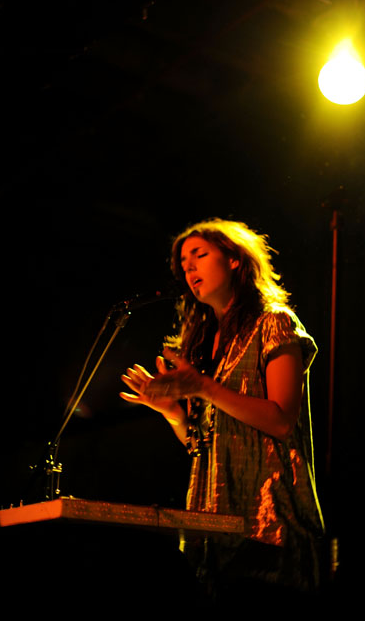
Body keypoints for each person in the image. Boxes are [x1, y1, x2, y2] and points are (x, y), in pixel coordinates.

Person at [120, 218, 325, 609]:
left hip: (269, 531)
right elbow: (203, 445)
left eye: (199, 255)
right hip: (210, 535)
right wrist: (174, 414)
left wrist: (203, 387)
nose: (189, 267)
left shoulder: (275, 323)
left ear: (234, 260)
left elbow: (282, 420)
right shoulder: (201, 343)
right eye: (183, 262)